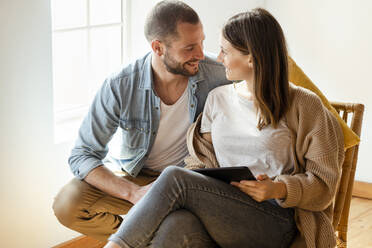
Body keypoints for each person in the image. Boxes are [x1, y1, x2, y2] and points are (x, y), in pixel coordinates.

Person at [104, 8, 345, 248]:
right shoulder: (217, 99)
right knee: (177, 223)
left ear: (251, 57)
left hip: (276, 221)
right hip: (223, 210)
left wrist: (278, 188)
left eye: (225, 51)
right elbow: (201, 162)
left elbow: (324, 184)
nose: (218, 58)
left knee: (174, 177)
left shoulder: (304, 104)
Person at [52, 0, 230, 242]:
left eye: (202, 42)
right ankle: (142, 237)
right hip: (138, 174)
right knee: (68, 205)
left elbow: (265, 83)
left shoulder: (217, 73)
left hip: (188, 178)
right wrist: (134, 193)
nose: (199, 53)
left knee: (180, 224)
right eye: (189, 47)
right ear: (158, 48)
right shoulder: (120, 84)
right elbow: (82, 154)